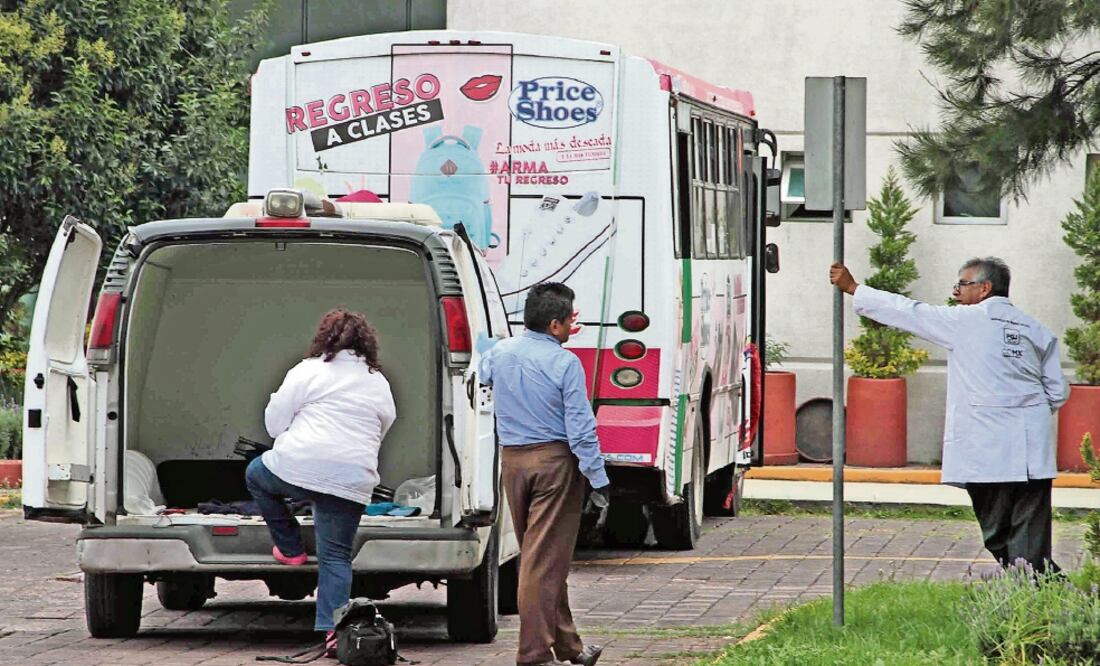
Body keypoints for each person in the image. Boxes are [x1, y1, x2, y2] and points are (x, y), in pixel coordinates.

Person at [830, 258, 1069, 572]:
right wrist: (1026, 414)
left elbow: (909, 311)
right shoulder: (1036, 329)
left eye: (963, 284)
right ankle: (1041, 593)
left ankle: (1034, 591)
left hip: (989, 451)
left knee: (998, 532)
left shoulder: (965, 321)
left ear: (985, 288)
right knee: (1030, 534)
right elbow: (1057, 391)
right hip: (1032, 451)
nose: (956, 291)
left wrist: (855, 289)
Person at [245, 309, 396, 646]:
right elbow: (383, 426)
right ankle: (333, 633)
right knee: (336, 557)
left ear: (324, 337)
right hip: (351, 478)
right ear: (366, 344)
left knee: (256, 474)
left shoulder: (307, 370)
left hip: (297, 466)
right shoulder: (377, 381)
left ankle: (290, 547)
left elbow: (274, 424)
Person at [480, 282, 608, 666]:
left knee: (544, 559)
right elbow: (581, 429)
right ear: (555, 324)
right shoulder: (565, 363)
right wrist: (599, 479)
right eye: (570, 319)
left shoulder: (500, 352)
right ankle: (534, 654)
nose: (573, 326)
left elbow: (481, 377)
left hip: (513, 463)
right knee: (542, 563)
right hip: (554, 464)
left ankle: (569, 646)